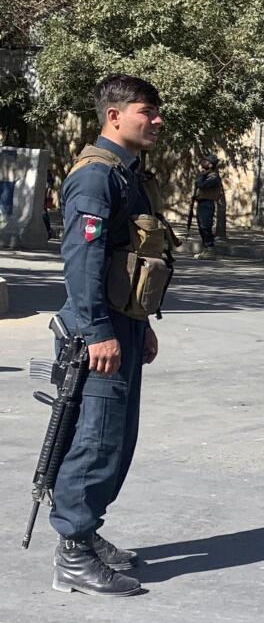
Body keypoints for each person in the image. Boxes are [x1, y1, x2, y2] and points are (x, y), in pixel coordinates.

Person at [50, 73, 171, 595]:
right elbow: (82, 264)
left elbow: (133, 259)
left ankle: (87, 532)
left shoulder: (129, 174)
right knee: (95, 438)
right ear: (114, 115)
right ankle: (72, 552)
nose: (158, 119)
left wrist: (138, 327)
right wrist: (99, 332)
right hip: (95, 330)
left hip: (121, 325)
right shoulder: (97, 177)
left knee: (116, 437)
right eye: (147, 110)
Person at [193, 155, 221, 259]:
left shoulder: (213, 177)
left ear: (211, 164)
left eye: (206, 161)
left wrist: (200, 176)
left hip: (207, 203)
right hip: (201, 203)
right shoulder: (205, 175)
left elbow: (201, 185)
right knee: (201, 227)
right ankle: (206, 249)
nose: (203, 163)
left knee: (206, 226)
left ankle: (210, 249)